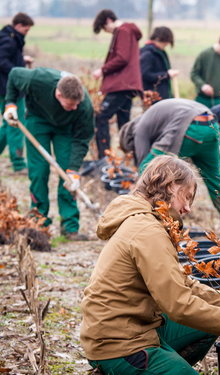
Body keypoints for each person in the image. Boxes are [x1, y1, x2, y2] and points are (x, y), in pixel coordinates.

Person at [80, 155, 220, 375]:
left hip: (136, 326)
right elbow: (178, 304)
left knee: (209, 324)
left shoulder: (147, 221)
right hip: (118, 343)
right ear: (170, 186)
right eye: (186, 197)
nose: (188, 208)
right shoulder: (147, 230)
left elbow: (182, 283)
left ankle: (162, 365)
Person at [3, 67, 94, 240]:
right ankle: (38, 223)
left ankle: (70, 226)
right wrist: (10, 104)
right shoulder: (38, 80)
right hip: (38, 121)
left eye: (77, 104)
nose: (75, 107)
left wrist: (74, 171)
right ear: (58, 95)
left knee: (68, 177)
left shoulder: (83, 106)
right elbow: (14, 75)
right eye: (70, 104)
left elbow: (82, 139)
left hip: (66, 129)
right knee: (39, 172)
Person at [118, 98, 220, 224]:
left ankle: (137, 218)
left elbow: (144, 168)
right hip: (211, 126)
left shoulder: (139, 130)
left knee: (148, 172)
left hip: (190, 127)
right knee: (215, 179)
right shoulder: (153, 118)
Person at [92, 9, 143, 159]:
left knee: (101, 116)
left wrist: (102, 70)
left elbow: (122, 58)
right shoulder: (127, 31)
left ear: (108, 20)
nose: (106, 31)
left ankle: (104, 158)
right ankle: (133, 161)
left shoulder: (123, 31)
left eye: (104, 28)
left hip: (122, 85)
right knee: (124, 124)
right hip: (127, 85)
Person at [0, 12, 34, 173]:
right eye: (26, 30)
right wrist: (19, 72)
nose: (26, 33)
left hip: (5, 88)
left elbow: (8, 57)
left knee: (8, 124)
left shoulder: (8, 37)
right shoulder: (10, 40)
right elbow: (1, 60)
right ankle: (19, 164)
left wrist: (22, 59)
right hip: (9, 90)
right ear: (19, 26)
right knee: (16, 125)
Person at [190, 33, 220, 108]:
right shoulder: (204, 54)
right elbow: (194, 74)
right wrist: (203, 85)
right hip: (202, 99)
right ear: (218, 42)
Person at [140, 26, 179, 102]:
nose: (167, 44)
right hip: (152, 97)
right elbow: (145, 75)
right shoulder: (148, 54)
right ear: (158, 39)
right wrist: (167, 75)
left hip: (161, 95)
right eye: (165, 42)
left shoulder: (159, 52)